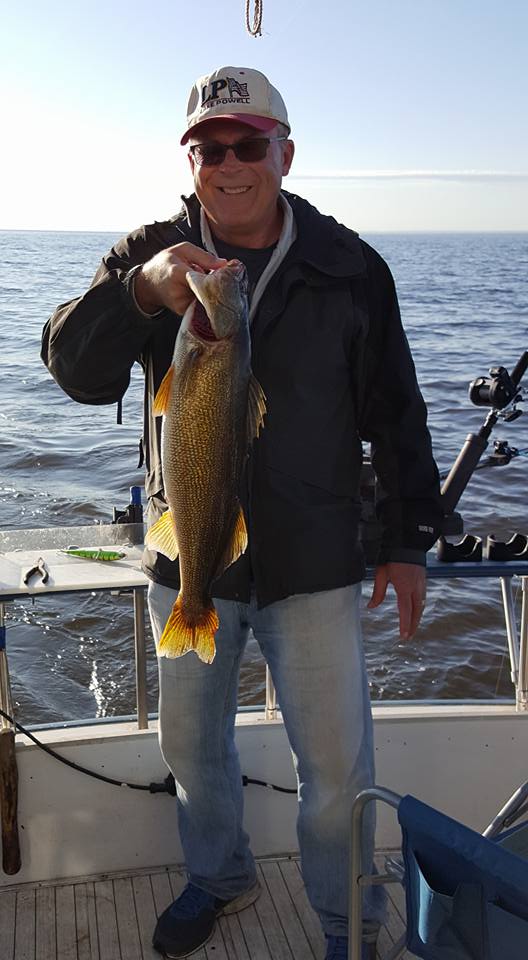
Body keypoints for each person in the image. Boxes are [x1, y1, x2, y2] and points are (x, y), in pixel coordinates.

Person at [42, 66, 442, 960]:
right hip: (190, 559)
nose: (228, 164)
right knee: (192, 750)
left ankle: (346, 922)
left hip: (315, 561)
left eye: (248, 144)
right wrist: (139, 293)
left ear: (285, 154)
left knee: (335, 768)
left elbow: (397, 412)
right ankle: (219, 877)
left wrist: (408, 539)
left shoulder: (351, 266)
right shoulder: (152, 256)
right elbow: (71, 369)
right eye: (209, 148)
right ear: (189, 162)